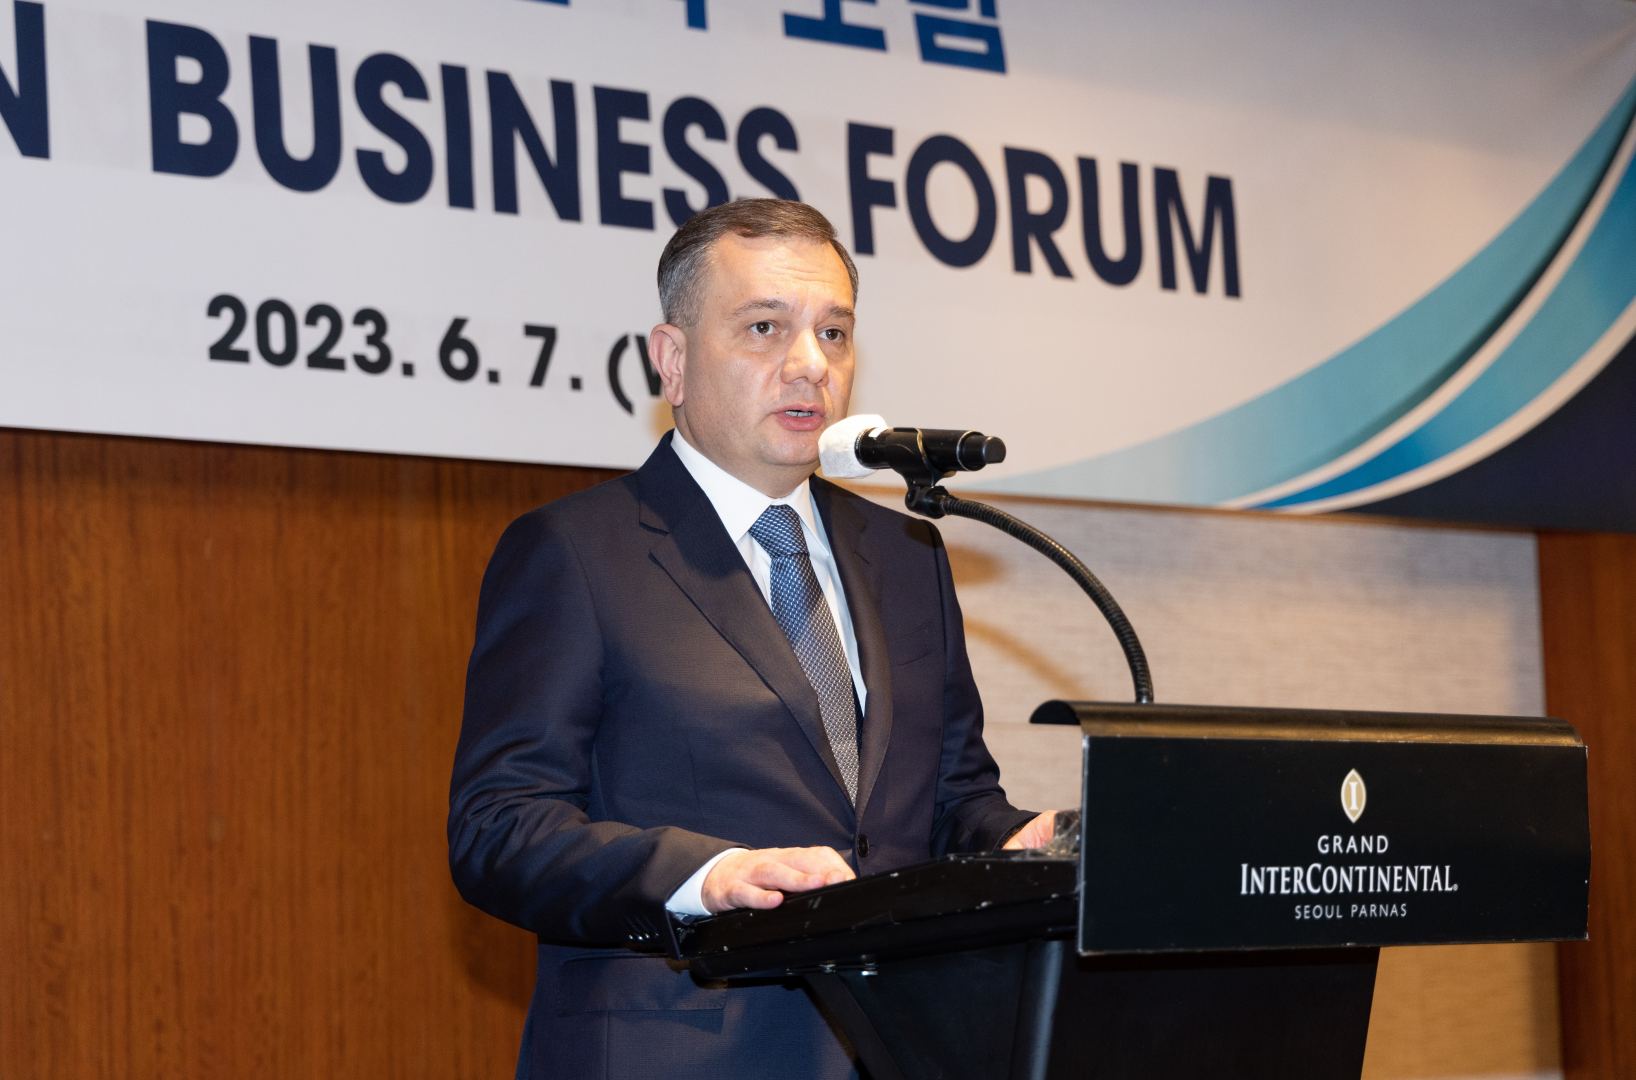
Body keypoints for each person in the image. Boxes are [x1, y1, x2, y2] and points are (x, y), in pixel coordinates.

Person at [449, 198, 1055, 1080]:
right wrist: (706, 877)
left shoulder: (908, 554)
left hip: (899, 1044)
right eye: (765, 328)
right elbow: (499, 830)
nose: (810, 364)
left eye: (834, 333)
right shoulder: (576, 554)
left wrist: (1022, 840)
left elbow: (952, 800)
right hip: (677, 1051)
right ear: (673, 360)